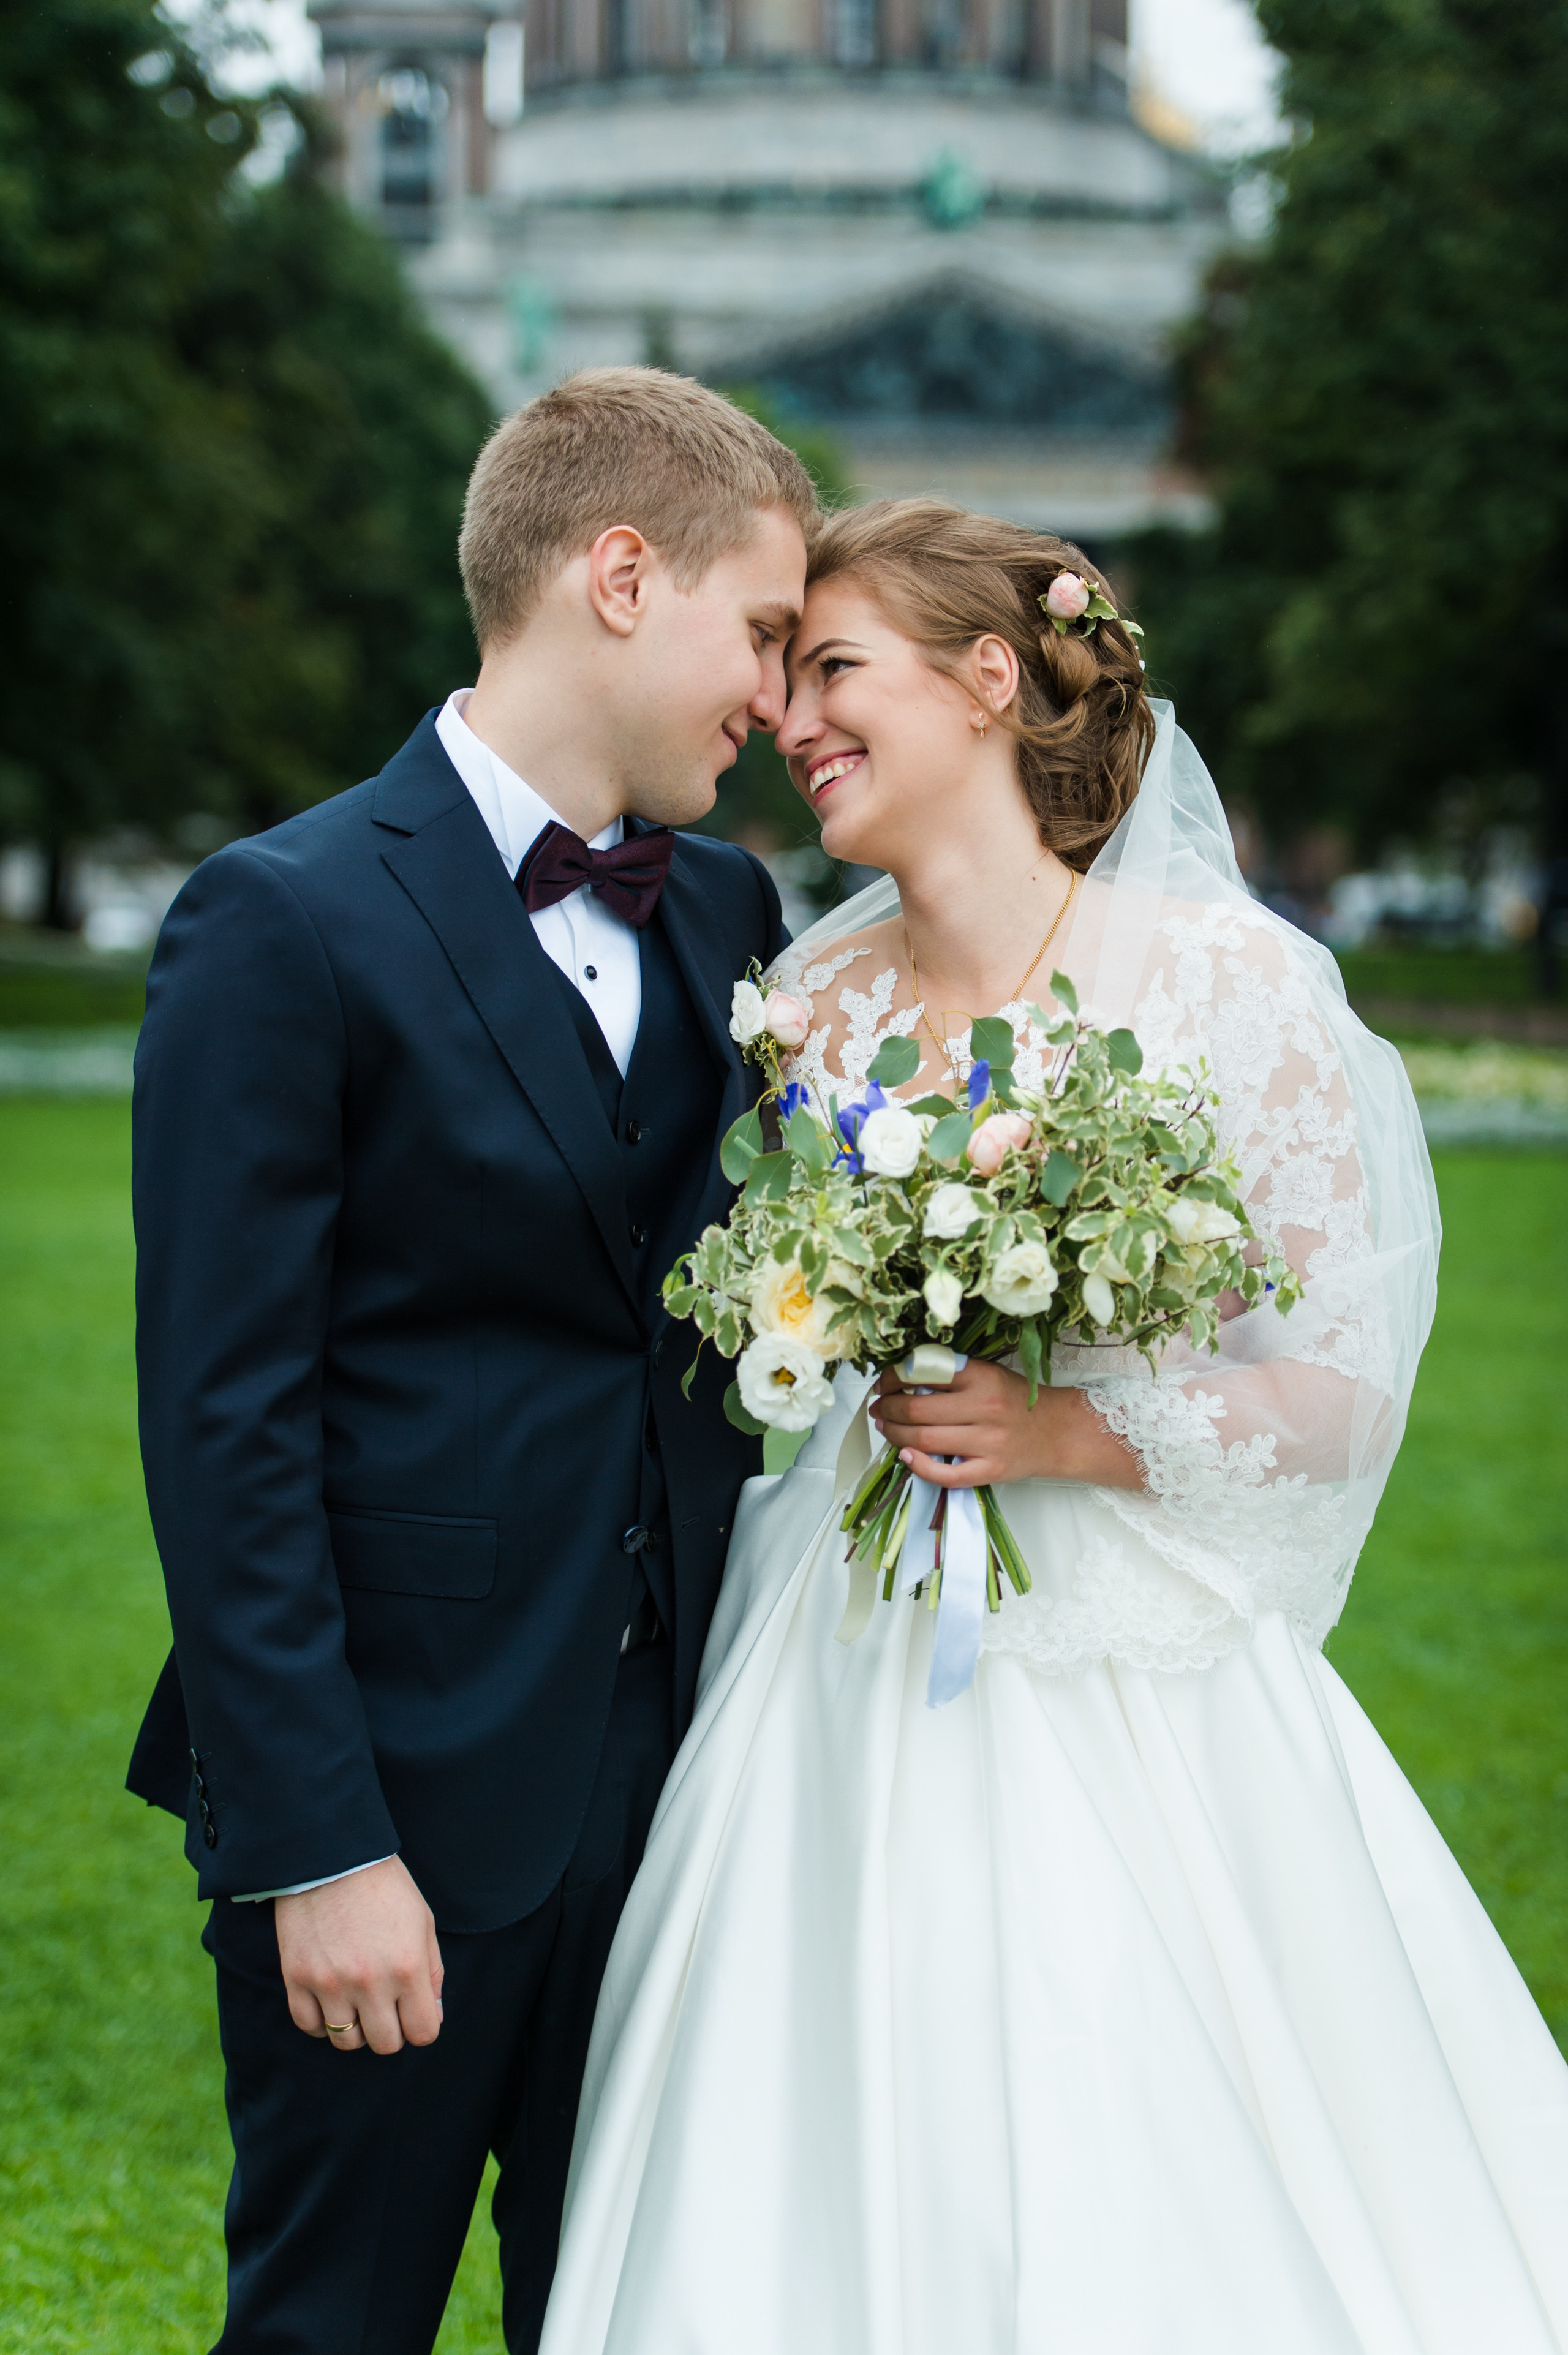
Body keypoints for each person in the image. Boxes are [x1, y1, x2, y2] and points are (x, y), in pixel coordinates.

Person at [540, 499, 1568, 2355]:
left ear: (991, 678)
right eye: (783, 677)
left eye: (833, 669)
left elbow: (1341, 1391)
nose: (790, 719)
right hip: (835, 1637)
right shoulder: (806, 1005)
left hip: (1126, 1656)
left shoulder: (1231, 986)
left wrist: (1065, 1432)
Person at [124, 367, 813, 2355]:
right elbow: (224, 1425)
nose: (778, 699)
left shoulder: (733, 911)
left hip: (680, 1787)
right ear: (622, 576)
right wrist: (321, 1843)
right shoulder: (282, 919)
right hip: (398, 1797)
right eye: (764, 632)